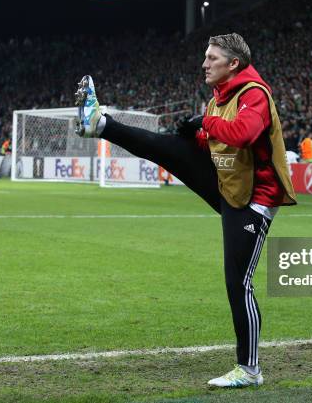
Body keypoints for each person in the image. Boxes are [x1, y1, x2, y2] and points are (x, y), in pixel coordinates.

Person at [74, 33, 296, 388]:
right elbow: (215, 143)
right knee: (171, 147)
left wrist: (203, 123)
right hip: (228, 186)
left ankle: (250, 370)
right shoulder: (218, 100)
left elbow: (242, 133)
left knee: (238, 282)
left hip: (254, 199)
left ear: (232, 64)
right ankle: (101, 124)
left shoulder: (253, 92)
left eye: (212, 58)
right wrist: (195, 134)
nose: (204, 64)